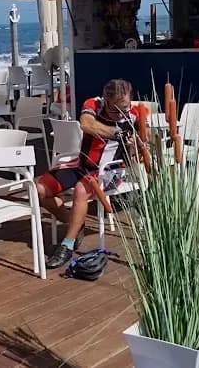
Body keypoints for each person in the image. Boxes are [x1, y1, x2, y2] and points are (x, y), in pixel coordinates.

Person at [37, 79, 141, 269]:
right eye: (116, 110)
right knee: (41, 189)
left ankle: (67, 245)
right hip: (82, 164)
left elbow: (138, 151)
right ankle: (76, 223)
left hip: (110, 169)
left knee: (81, 189)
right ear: (106, 101)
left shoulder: (137, 115)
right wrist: (117, 133)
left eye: (125, 108)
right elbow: (86, 124)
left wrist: (134, 146)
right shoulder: (93, 104)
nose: (122, 114)